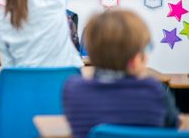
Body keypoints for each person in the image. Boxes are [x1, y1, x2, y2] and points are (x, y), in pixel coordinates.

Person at [63, 10, 180, 138]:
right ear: (136, 59)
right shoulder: (155, 91)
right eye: (147, 48)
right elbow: (172, 127)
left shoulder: (73, 89)